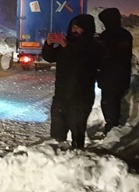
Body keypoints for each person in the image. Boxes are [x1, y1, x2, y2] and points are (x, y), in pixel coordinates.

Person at [42, 14, 99, 149]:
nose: (75, 30)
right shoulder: (67, 44)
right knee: (57, 131)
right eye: (73, 26)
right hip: (62, 95)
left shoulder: (93, 46)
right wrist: (49, 45)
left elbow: (84, 62)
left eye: (79, 27)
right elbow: (49, 57)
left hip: (80, 97)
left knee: (77, 130)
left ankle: (77, 156)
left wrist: (67, 46)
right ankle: (57, 159)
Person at [96, 8, 133, 134]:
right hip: (121, 76)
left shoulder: (108, 36)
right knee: (114, 101)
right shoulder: (125, 34)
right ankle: (113, 126)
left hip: (110, 76)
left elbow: (105, 55)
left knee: (109, 103)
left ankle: (112, 129)